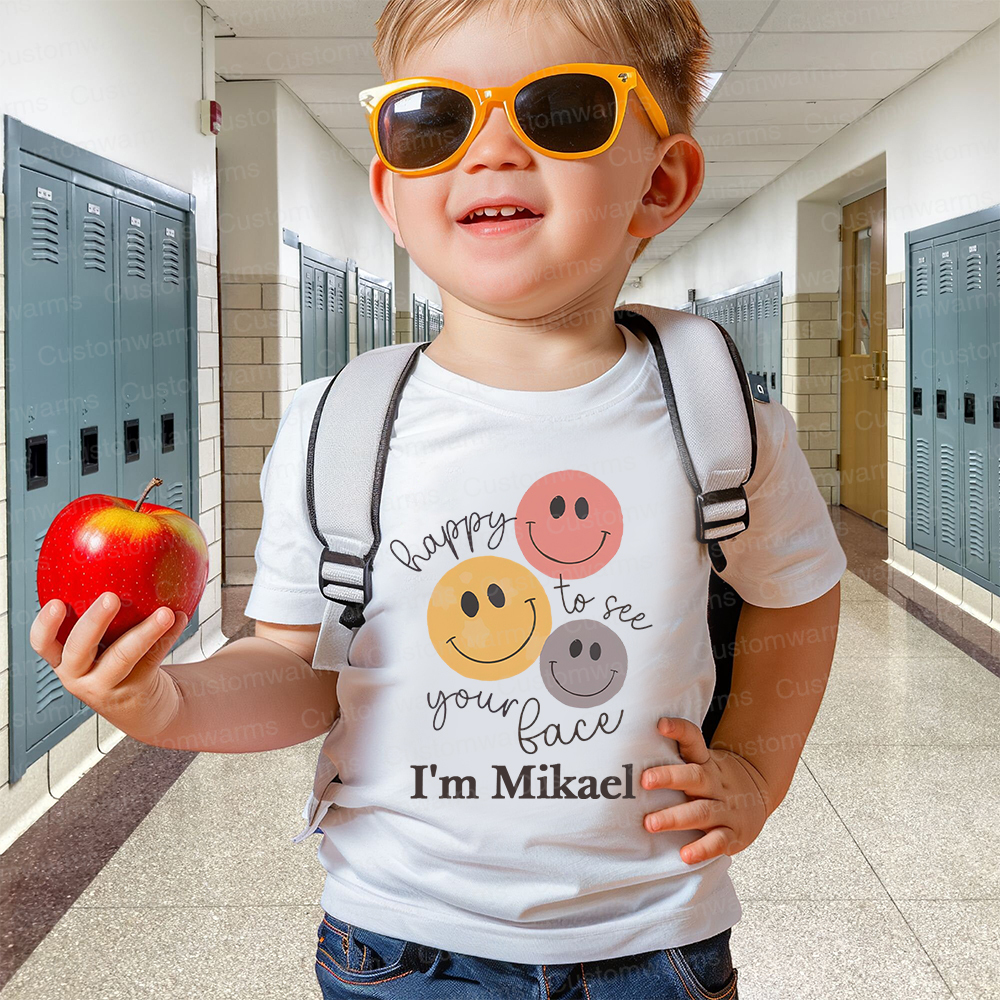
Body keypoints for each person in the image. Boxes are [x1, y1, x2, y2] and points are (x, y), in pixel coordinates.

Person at [31, 1, 847, 996]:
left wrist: (757, 770)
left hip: (655, 935)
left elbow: (797, 590)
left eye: (562, 110)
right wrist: (164, 702)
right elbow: (297, 671)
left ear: (661, 182)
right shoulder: (337, 426)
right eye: (434, 119)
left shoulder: (718, 415)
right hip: (399, 941)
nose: (492, 148)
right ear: (391, 186)